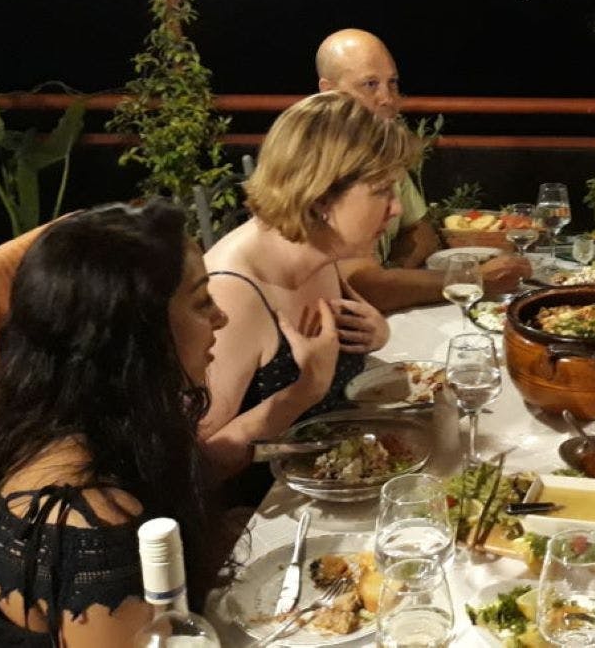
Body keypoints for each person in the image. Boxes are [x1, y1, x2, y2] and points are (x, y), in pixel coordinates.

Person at [0, 202, 227, 646]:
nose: (221, 318)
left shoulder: (44, 432)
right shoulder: (92, 535)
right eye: (202, 301)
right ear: (137, 341)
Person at [201, 93, 414, 489]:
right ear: (321, 199)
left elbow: (348, 338)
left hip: (336, 477)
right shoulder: (232, 293)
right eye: (383, 190)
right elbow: (198, 464)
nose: (397, 208)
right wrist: (306, 390)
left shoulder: (319, 249)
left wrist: (376, 332)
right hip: (258, 517)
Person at [315, 29, 531, 310]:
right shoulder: (318, 165)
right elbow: (361, 287)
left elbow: (420, 231)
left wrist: (393, 275)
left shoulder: (379, 149)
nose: (388, 99)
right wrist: (475, 279)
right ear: (328, 91)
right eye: (370, 84)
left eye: (392, 83)